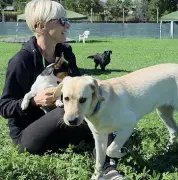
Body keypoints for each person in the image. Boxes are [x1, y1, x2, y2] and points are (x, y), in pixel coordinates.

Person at [0, 0, 127, 179]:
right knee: (67, 113)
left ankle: (107, 162)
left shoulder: (66, 53)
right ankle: (108, 167)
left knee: (91, 108)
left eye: (66, 20)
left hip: (61, 130)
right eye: (61, 20)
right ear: (40, 26)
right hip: (27, 135)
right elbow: (4, 107)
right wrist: (35, 101)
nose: (67, 25)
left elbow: (79, 89)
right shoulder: (22, 61)